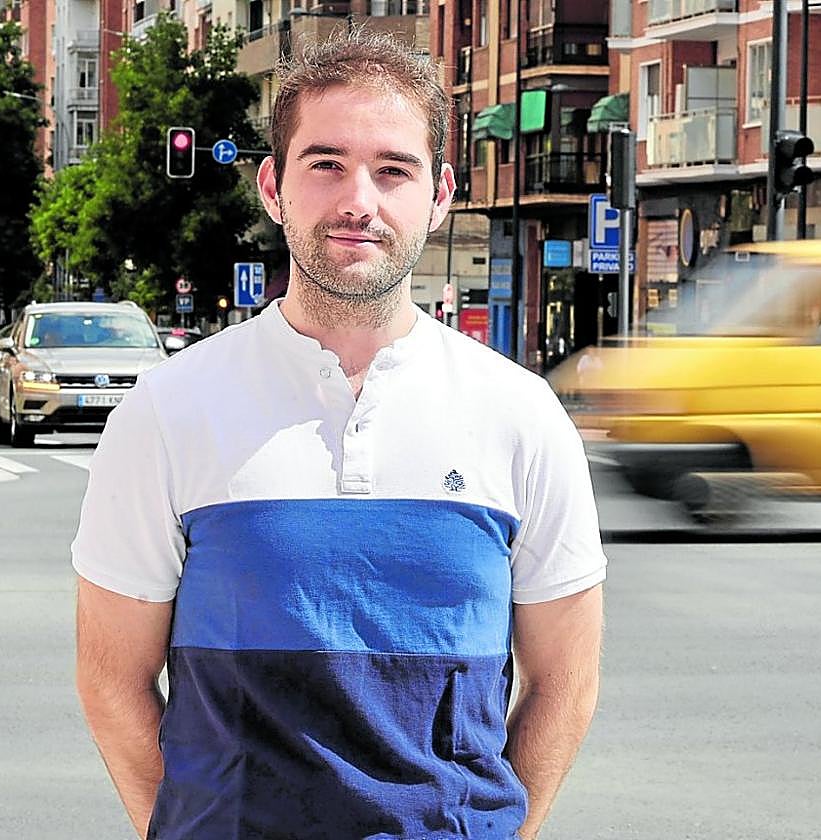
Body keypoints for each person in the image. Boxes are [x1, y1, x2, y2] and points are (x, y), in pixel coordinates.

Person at [72, 30, 605, 840]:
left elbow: (565, 682)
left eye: (393, 169)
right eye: (325, 163)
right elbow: (112, 679)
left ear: (440, 194)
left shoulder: (521, 416)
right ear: (272, 187)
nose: (360, 198)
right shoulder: (167, 410)